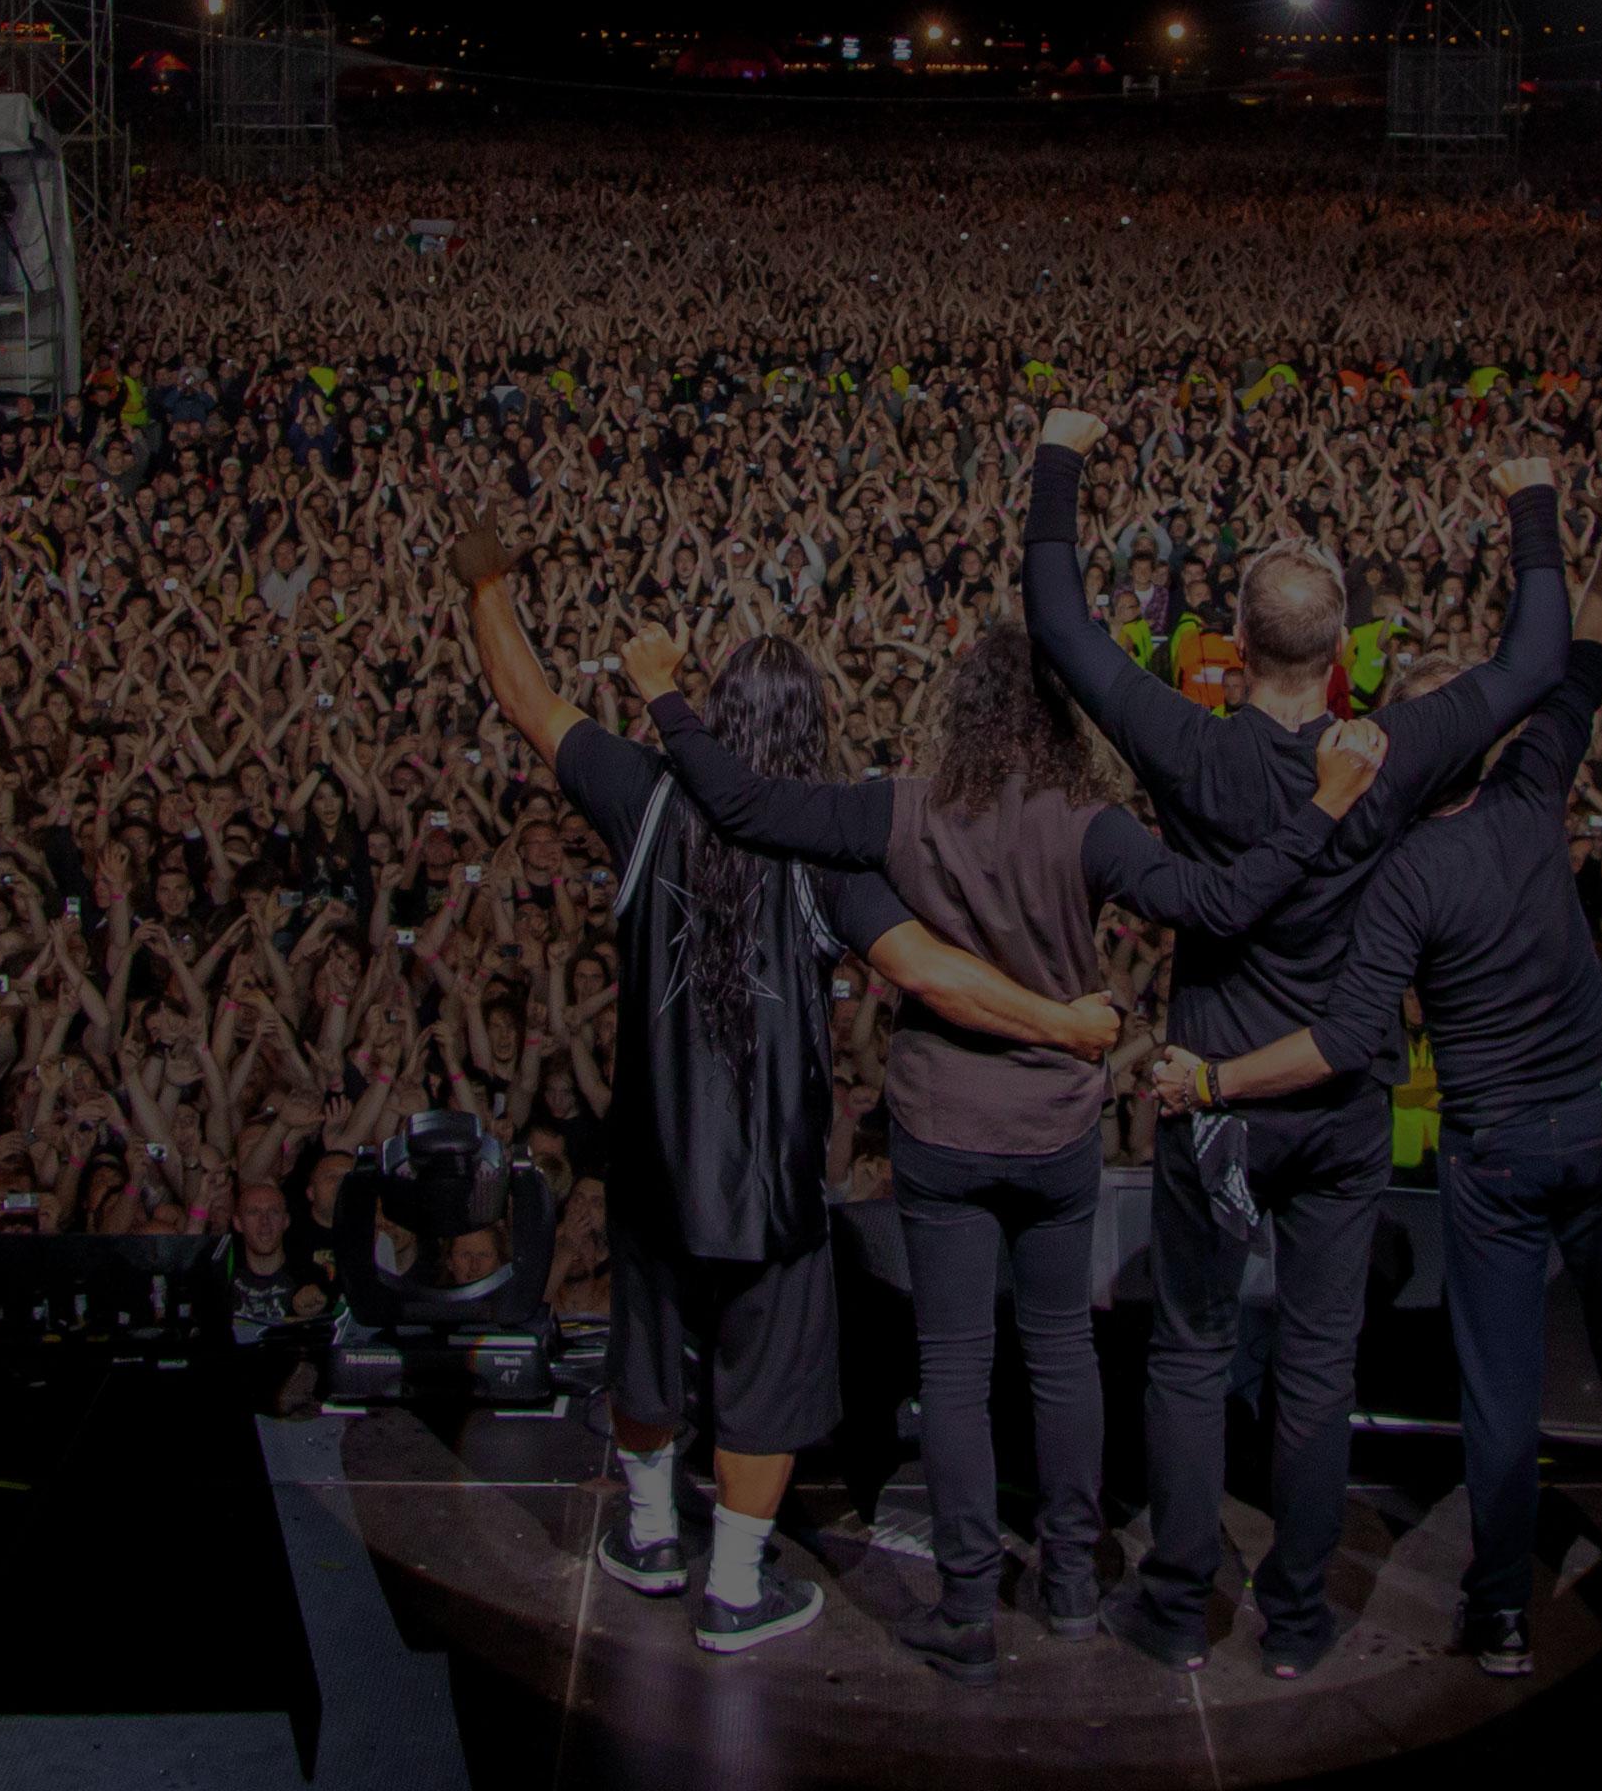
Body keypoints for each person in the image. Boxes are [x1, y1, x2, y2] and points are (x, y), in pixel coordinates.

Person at [619, 617, 1386, 1682]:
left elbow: (743, 803)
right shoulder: (1094, 824)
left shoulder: (902, 806)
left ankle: (968, 1607)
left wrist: (668, 702)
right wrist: (1325, 808)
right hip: (1057, 1125)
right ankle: (1071, 1584)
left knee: (956, 1370)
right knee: (1061, 1349)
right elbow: (1226, 900)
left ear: (961, 709)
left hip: (942, 1123)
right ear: (1064, 716)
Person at [450, 521, 1119, 1657]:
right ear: (812, 732)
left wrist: (486, 589)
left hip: (654, 1156)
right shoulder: (824, 845)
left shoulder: (644, 796)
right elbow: (924, 973)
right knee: (763, 1372)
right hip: (769, 1170)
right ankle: (734, 1588)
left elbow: (529, 702)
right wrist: (1059, 1019)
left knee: (649, 1346)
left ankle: (651, 1534)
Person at [1024, 409, 1573, 1679]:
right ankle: (1300, 1621)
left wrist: (1061, 455)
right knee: (1320, 1364)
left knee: (1194, 1347)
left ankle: (1174, 1606)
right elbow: (1538, 654)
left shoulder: (1190, 746)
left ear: (1234, 646)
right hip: (1341, 1095)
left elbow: (1060, 623)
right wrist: (1530, 498)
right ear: (1339, 660)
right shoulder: (1390, 749)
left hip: (1214, 1092)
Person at [1149, 466, 1602, 1674]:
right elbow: (1577, 653)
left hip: (1497, 1145)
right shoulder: (1535, 788)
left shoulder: (1395, 875)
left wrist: (1216, 1083)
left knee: (1499, 1400)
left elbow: (1345, 1040)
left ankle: (1498, 1615)